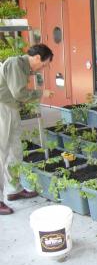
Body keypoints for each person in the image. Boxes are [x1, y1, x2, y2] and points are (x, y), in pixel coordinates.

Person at [0, 44, 54, 215]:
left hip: (12, 109)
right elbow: (18, 93)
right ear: (37, 57)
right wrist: (40, 94)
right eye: (44, 64)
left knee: (15, 151)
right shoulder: (15, 63)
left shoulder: (23, 68)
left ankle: (14, 189)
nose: (43, 68)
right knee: (1, 153)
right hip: (3, 109)